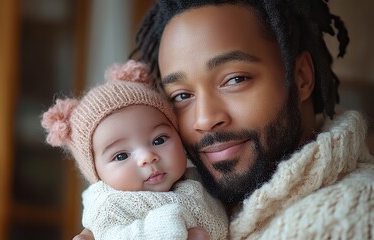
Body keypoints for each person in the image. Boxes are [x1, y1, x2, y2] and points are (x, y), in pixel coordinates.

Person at [74, 0, 374, 239]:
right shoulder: (199, 200)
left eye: (234, 79)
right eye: (181, 96)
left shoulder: (350, 216)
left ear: (302, 77)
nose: (204, 119)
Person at [41, 60, 229, 240]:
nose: (147, 157)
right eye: (121, 155)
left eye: (159, 140)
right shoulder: (109, 206)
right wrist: (164, 228)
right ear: (97, 174)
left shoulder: (199, 175)